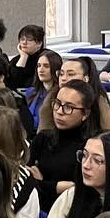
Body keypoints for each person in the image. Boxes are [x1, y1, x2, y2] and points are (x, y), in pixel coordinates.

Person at [29, 79, 96, 208]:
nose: (59, 111)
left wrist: (41, 183)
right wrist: (57, 187)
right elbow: (24, 179)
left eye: (68, 107)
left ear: (85, 114)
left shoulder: (89, 147)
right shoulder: (43, 138)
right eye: (57, 104)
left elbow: (82, 191)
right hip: (35, 206)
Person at [43, 55, 110, 133]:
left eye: (70, 74)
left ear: (85, 79)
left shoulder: (99, 101)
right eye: (61, 74)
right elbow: (43, 132)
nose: (63, 78)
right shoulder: (52, 97)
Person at [24, 49, 62, 127]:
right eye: (39, 66)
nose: (41, 70)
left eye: (46, 66)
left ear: (56, 69)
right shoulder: (31, 92)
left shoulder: (61, 94)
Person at [6, 23, 46, 91]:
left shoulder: (46, 58)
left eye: (29, 40)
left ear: (39, 43)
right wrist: (23, 57)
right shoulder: (16, 60)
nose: (24, 42)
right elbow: (11, 84)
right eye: (22, 39)